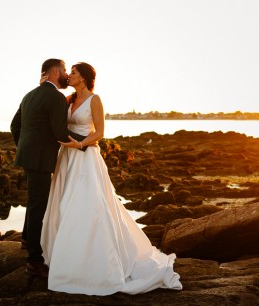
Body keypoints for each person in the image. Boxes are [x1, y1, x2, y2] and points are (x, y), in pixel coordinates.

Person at [40, 62, 182, 295]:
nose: (69, 75)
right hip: (67, 157)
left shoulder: (95, 100)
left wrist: (82, 144)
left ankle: (95, 260)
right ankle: (66, 254)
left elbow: (100, 132)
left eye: (73, 72)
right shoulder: (67, 100)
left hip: (85, 157)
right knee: (63, 203)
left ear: (84, 78)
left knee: (88, 205)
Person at [10, 59, 87, 278]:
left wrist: (25, 147)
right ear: (54, 72)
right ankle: (34, 260)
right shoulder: (56, 97)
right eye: (63, 70)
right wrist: (88, 142)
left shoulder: (29, 95)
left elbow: (14, 126)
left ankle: (26, 238)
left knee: (33, 200)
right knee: (38, 205)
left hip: (27, 157)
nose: (65, 74)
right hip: (41, 159)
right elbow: (60, 133)